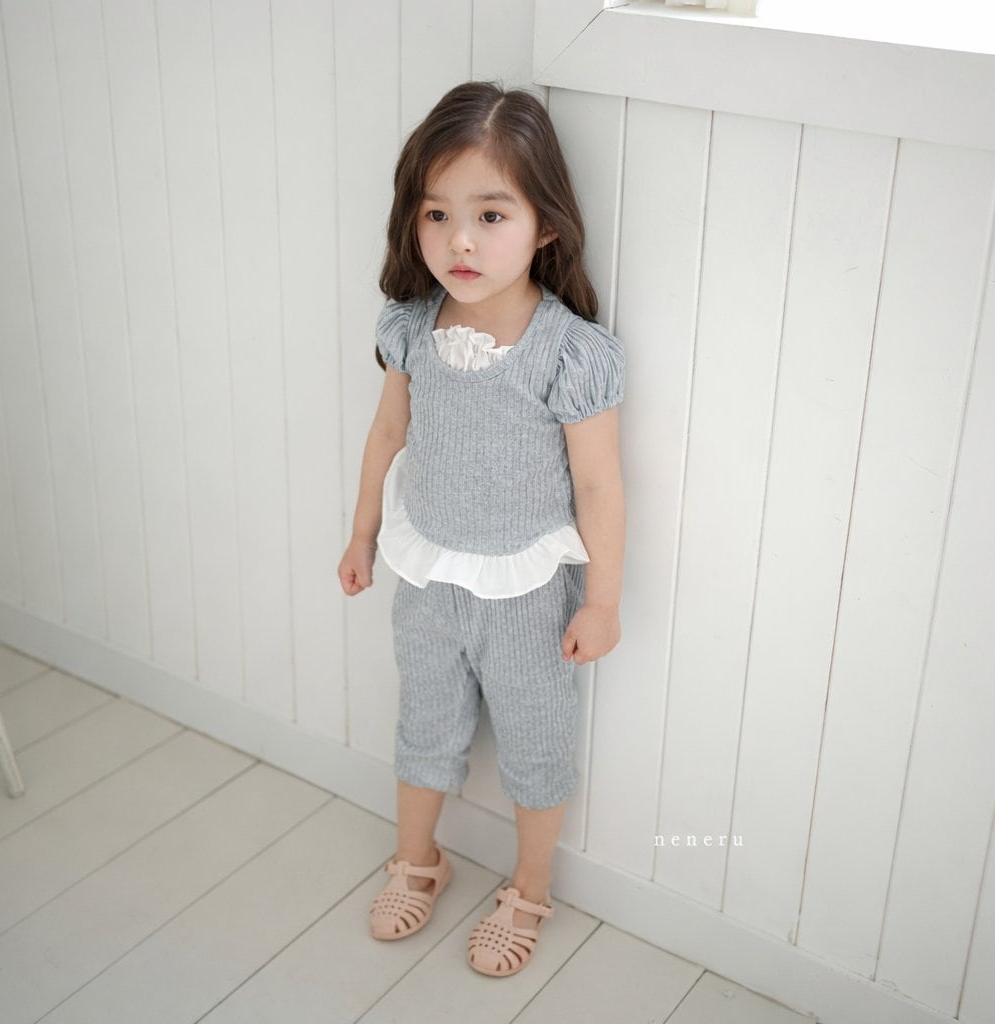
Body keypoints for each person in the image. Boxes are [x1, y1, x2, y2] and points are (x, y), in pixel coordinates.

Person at [337, 81, 626, 978]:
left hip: (529, 596)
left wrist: (603, 601)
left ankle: (530, 887)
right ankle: (417, 858)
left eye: (490, 215)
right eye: (437, 214)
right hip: (428, 578)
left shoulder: (569, 351)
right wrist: (362, 534)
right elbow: (387, 434)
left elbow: (599, 484)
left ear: (545, 227)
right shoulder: (411, 327)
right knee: (423, 725)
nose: (459, 241)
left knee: (536, 745)